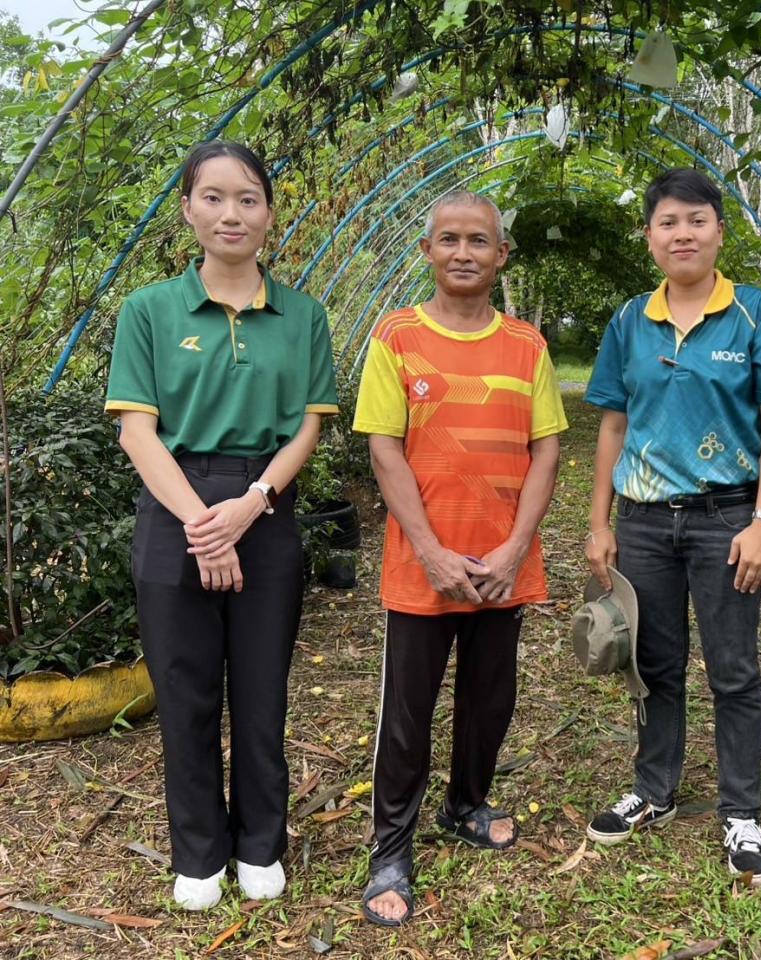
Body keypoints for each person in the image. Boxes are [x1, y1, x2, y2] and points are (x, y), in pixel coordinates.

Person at [105, 141, 339, 910]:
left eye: (247, 198)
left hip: (264, 505)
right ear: (187, 210)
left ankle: (261, 844)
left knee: (262, 684)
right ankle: (199, 852)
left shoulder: (302, 315)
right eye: (213, 197)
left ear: (270, 212)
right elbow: (138, 430)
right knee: (184, 686)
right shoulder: (149, 310)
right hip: (176, 504)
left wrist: (252, 505)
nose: (230, 212)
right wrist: (202, 524)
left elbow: (307, 426)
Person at [583, 168, 761, 887]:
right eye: (668, 222)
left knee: (734, 669)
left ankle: (741, 811)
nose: (683, 233)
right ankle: (655, 790)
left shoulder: (755, 316)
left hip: (726, 519)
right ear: (649, 237)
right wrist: (599, 521)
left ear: (719, 230)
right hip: (645, 522)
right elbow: (613, 423)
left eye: (697, 220)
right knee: (654, 664)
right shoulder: (629, 321)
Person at [353, 189, 567, 926]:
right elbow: (384, 448)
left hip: (502, 563)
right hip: (424, 564)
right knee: (407, 713)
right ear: (428, 252)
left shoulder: (527, 345)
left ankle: (467, 802)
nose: (464, 253)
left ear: (501, 254)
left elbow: (547, 450)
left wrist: (512, 549)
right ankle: (391, 847)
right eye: (449, 240)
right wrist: (433, 552)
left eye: (479, 241)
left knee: (489, 699)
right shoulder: (396, 338)